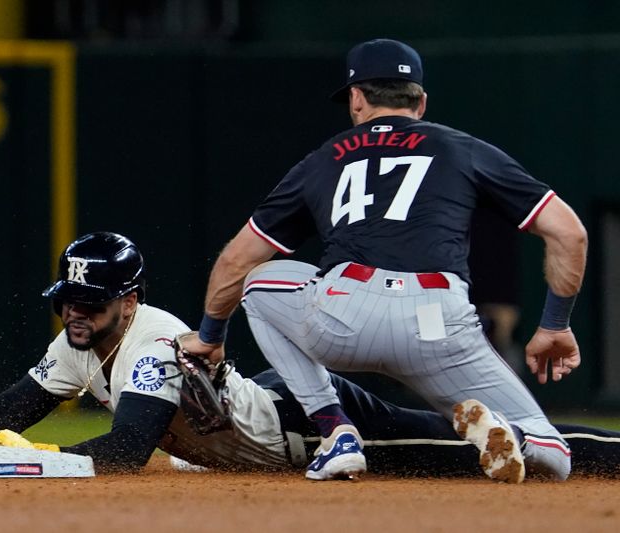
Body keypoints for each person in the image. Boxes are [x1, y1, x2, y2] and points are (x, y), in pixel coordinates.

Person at [178, 38, 588, 483]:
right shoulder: (461, 148)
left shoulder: (323, 160)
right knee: (554, 455)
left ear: (356, 98)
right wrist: (554, 325)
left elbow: (237, 261)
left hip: (343, 315)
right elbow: (570, 233)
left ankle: (336, 433)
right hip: (438, 323)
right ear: (421, 101)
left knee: (258, 283)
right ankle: (517, 437)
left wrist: (211, 335)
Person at [0, 232, 616, 479]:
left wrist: (34, 461)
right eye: (67, 300)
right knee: (447, 445)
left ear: (129, 301)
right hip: (259, 410)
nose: (75, 312)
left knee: (459, 453)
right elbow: (11, 406)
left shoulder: (153, 343)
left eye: (92, 302)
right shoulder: (79, 341)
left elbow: (126, 451)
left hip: (302, 424)